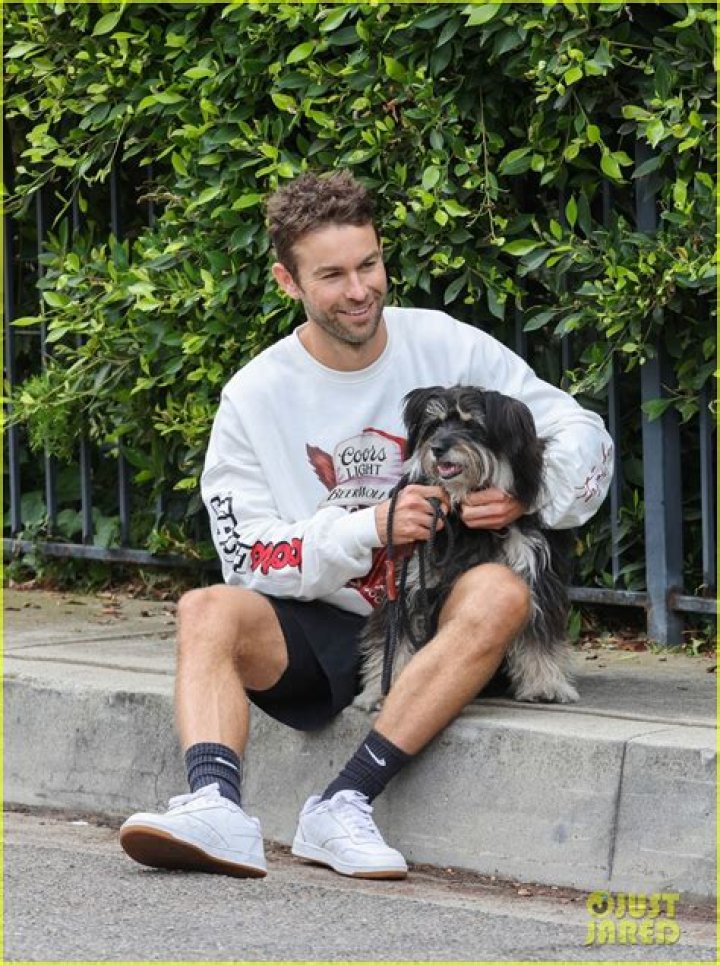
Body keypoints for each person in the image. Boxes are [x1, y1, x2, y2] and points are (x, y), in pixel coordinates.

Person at [119, 170, 613, 880]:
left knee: (502, 593)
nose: (359, 290)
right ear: (288, 282)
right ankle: (216, 807)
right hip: (323, 617)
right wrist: (367, 526)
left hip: (439, 614)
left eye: (370, 264)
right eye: (332, 275)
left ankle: (344, 804)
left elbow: (581, 432)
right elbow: (246, 553)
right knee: (205, 608)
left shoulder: (445, 343)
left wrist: (528, 496)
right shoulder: (255, 394)